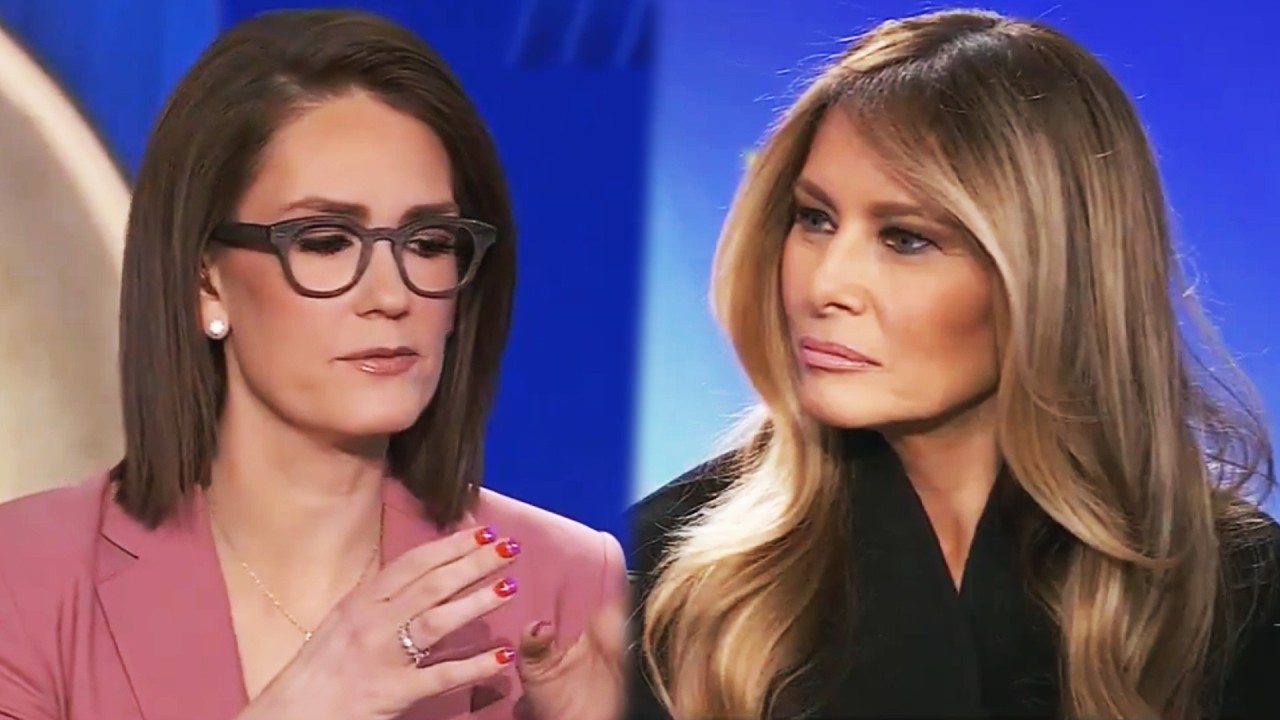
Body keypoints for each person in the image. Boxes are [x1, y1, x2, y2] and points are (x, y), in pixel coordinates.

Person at [628, 9, 1279, 720]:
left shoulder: (1235, 588)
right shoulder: (662, 569)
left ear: (1055, 275)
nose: (825, 285)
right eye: (814, 218)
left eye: (906, 239)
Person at [0, 10, 625, 720]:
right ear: (206, 279)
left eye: (428, 243)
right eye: (326, 242)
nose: (391, 296)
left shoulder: (568, 583)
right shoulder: (23, 577)